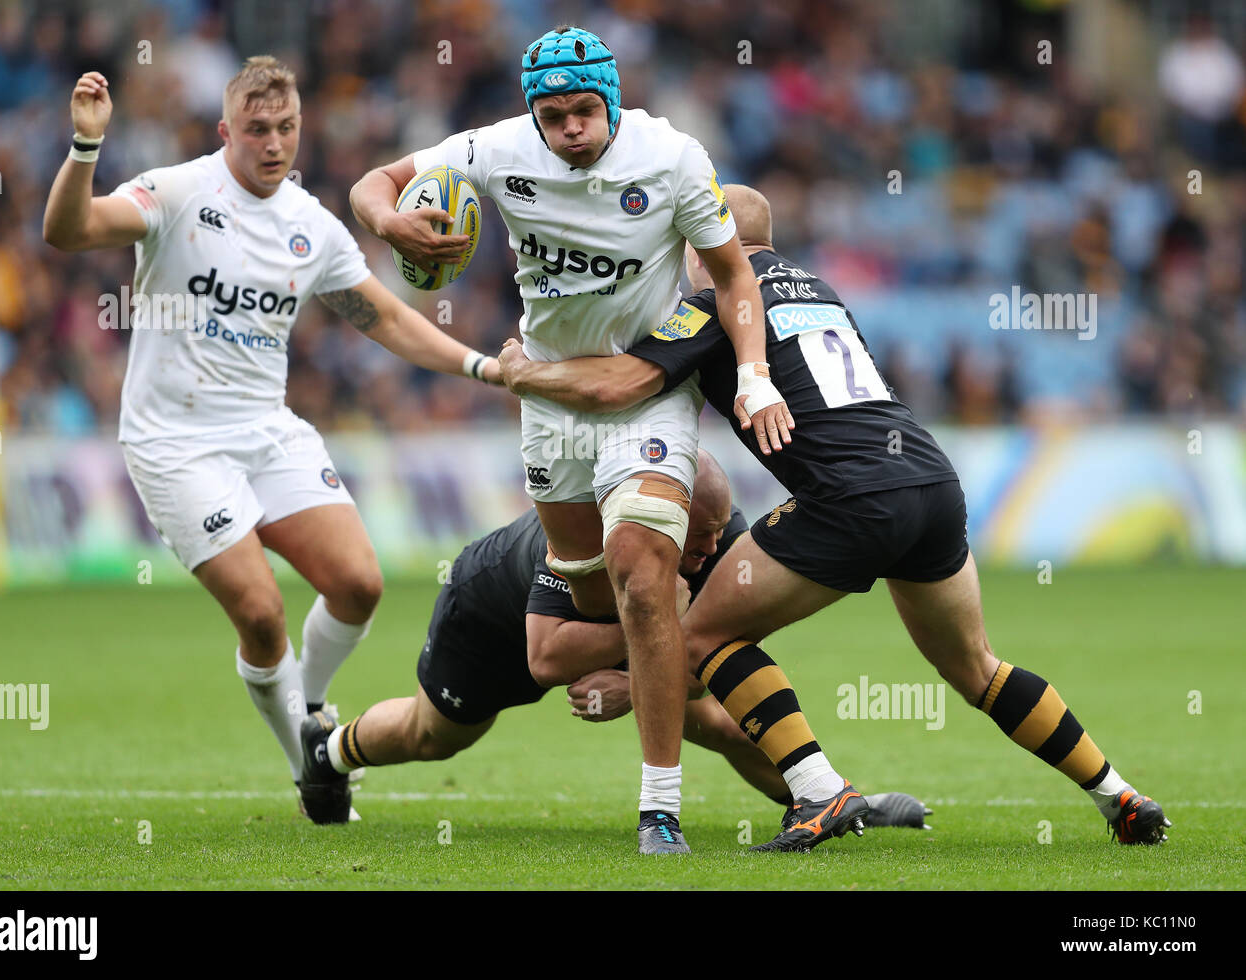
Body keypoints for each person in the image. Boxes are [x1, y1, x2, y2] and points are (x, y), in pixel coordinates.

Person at [499, 185, 1171, 851]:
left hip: (850, 497)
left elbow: (622, 383)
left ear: (707, 241)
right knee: (978, 668)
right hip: (929, 481)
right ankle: (1118, 795)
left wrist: (520, 372)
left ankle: (820, 790)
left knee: (701, 638)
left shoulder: (716, 303)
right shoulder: (819, 289)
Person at [350, 26, 792, 853]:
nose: (571, 130)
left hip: (647, 396)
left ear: (612, 103)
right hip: (550, 402)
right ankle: (665, 659)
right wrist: (389, 224)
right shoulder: (495, 148)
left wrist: (756, 373)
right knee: (599, 600)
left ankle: (659, 807)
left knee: (641, 572)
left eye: (586, 111)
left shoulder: (670, 158)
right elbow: (375, 182)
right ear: (534, 113)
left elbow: (734, 273)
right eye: (554, 116)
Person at [42, 58, 501, 825]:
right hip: (176, 442)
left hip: (267, 431)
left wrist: (480, 365)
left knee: (359, 584)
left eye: (287, 128)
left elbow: (384, 317)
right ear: (226, 131)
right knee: (261, 614)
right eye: (257, 130)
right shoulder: (179, 193)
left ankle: (310, 704)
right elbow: (68, 231)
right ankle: (311, 765)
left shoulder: (311, 226)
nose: (274, 144)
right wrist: (85, 148)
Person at [299, 451, 932, 836]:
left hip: (613, 632)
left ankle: (827, 801)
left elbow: (701, 657)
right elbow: (544, 658)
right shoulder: (590, 538)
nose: (712, 552)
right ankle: (326, 754)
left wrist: (635, 683)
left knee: (727, 724)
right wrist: (647, 652)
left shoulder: (714, 535)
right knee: (434, 736)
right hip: (494, 618)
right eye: (700, 539)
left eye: (719, 533)